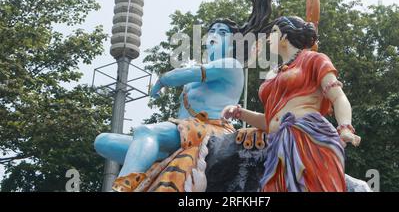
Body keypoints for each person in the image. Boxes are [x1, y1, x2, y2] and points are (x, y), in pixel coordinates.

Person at [94, 19, 244, 192]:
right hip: (180, 136)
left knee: (146, 131)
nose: (215, 35)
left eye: (223, 33)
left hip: (212, 132)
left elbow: (183, 74)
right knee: (103, 141)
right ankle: (149, 159)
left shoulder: (232, 65)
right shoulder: (193, 82)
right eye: (212, 31)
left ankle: (122, 188)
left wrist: (162, 80)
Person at [222, 16, 361, 192]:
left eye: (272, 32)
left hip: (309, 138)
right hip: (277, 147)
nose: (267, 38)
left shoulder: (314, 59)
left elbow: (338, 96)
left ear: (284, 36)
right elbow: (270, 121)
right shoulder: (273, 74)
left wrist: (345, 127)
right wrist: (240, 113)